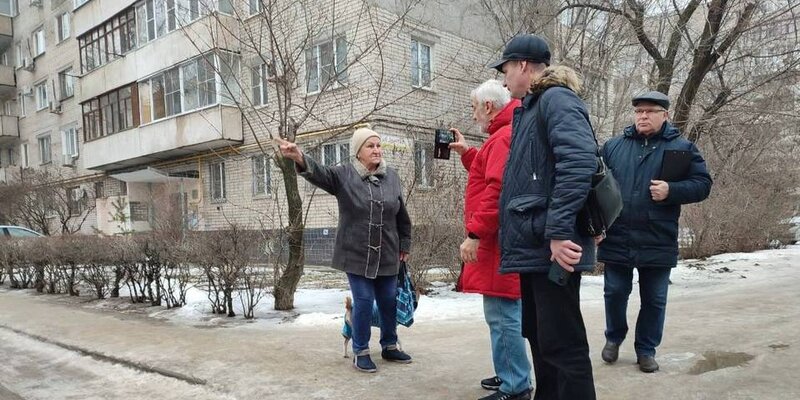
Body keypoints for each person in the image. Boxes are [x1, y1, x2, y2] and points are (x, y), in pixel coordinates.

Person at [492, 34, 598, 400]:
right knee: (540, 336)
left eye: (505, 69)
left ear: (522, 65)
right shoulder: (530, 109)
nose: (503, 80)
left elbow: (580, 161)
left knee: (563, 343)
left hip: (554, 244)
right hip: (535, 245)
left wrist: (558, 230)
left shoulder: (557, 100)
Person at [276, 127, 413, 373]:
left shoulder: (392, 176)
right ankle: (360, 350)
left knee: (388, 301)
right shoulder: (344, 176)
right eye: (370, 146)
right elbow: (320, 173)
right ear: (357, 151)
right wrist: (299, 157)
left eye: (378, 145)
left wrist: (405, 244)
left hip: (388, 253)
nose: (377, 150)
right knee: (363, 301)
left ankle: (390, 345)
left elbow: (401, 215)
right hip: (356, 254)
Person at [598, 91, 712, 373]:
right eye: (639, 111)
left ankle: (646, 350)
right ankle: (614, 337)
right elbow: (595, 184)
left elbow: (703, 184)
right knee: (614, 292)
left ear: (665, 115)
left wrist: (672, 190)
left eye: (650, 111)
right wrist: (595, 224)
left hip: (658, 235)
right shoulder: (613, 146)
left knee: (655, 299)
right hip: (617, 233)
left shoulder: (682, 148)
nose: (643, 116)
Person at [449, 79, 531, 400]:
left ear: (488, 106)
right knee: (501, 313)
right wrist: (468, 153)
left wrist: (474, 233)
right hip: (502, 241)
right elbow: (489, 174)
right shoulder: (504, 134)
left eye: (473, 108)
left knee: (502, 315)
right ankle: (509, 373)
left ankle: (516, 386)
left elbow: (496, 191)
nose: (472, 116)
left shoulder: (502, 138)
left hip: (497, 243)